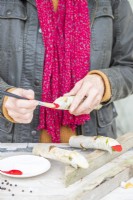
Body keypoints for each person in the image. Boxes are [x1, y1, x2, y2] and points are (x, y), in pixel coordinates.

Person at [0, 0, 133, 143]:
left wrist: (104, 82)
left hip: (94, 145)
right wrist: (4, 99)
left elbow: (129, 65)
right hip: (16, 148)